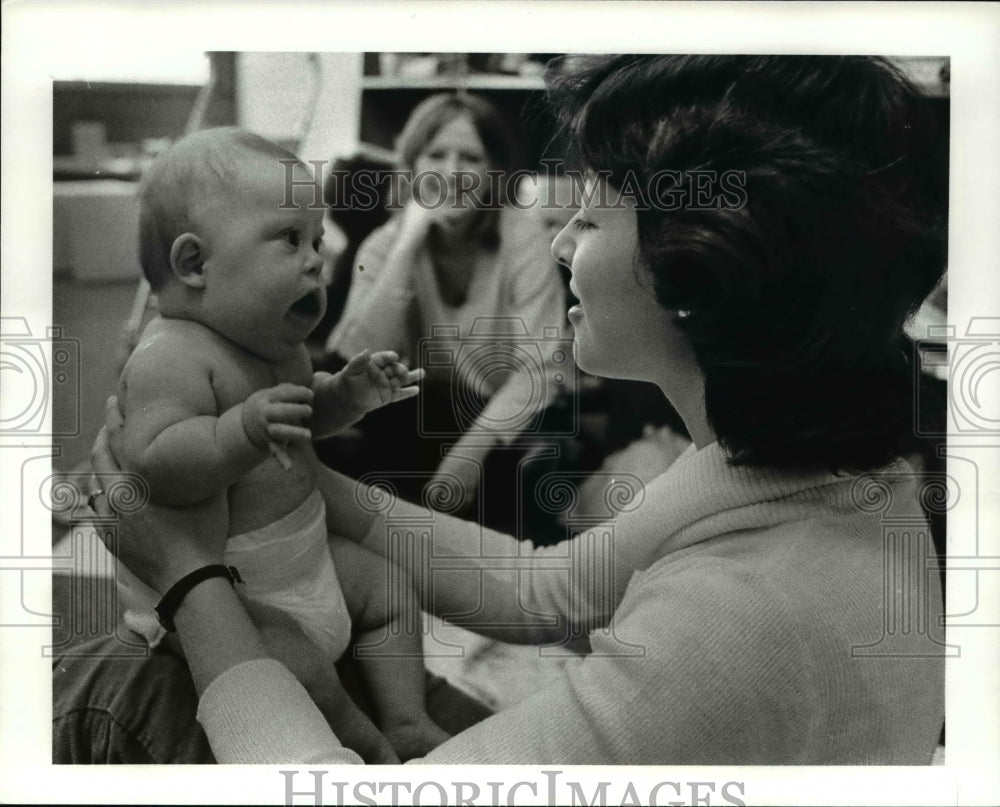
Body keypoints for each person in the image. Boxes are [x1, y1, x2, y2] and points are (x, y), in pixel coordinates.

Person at [64, 55, 946, 764]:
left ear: (699, 270)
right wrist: (313, 489)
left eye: (593, 220)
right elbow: (552, 587)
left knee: (109, 681)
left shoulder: (735, 630)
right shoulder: (790, 465)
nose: (565, 240)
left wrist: (187, 578)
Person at [107, 127, 448, 762]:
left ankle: (407, 718)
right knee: (299, 668)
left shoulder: (278, 346)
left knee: (388, 587)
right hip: (232, 594)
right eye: (290, 239)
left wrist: (345, 397)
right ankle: (372, 750)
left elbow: (301, 417)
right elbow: (155, 467)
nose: (319, 257)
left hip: (304, 557)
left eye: (317, 239)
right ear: (194, 264)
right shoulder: (171, 357)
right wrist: (240, 430)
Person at [321, 93, 572, 511]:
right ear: (413, 164)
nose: (452, 173)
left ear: (493, 170)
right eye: (436, 155)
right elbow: (353, 355)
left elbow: (540, 369)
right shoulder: (386, 244)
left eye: (470, 158)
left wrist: (469, 457)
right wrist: (407, 245)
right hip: (412, 416)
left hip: (497, 423)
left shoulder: (523, 242)